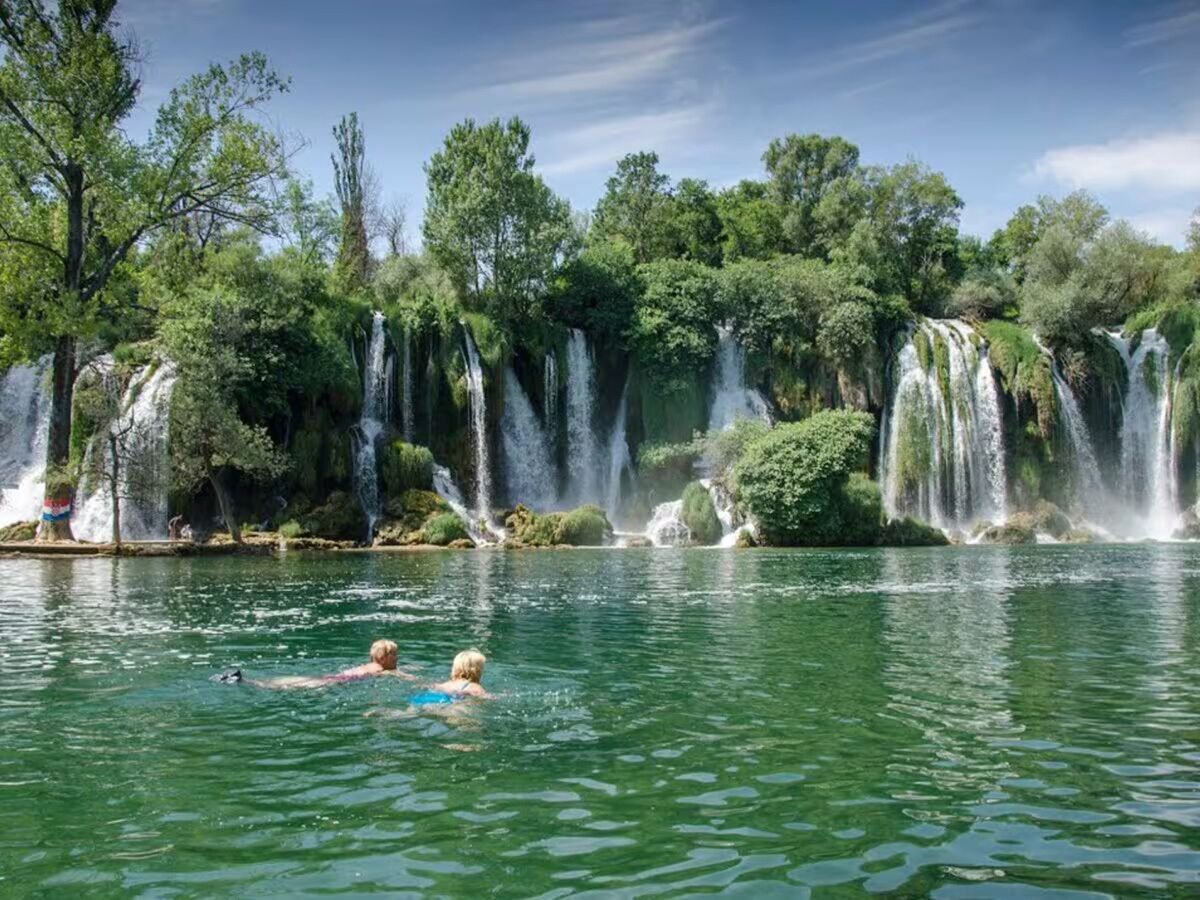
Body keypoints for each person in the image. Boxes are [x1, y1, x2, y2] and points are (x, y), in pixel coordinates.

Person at [215, 639, 417, 688]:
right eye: (394, 656)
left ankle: (243, 678)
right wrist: (415, 678)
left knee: (287, 683)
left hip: (331, 677)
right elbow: (399, 675)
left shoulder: (369, 665)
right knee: (285, 688)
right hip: (333, 683)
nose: (397, 659)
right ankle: (243, 681)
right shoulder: (382, 670)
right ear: (383, 658)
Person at [408, 649, 491, 705]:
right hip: (451, 704)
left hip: (432, 698)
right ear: (477, 671)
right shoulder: (474, 686)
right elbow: (485, 697)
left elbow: (434, 686)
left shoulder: (447, 684)